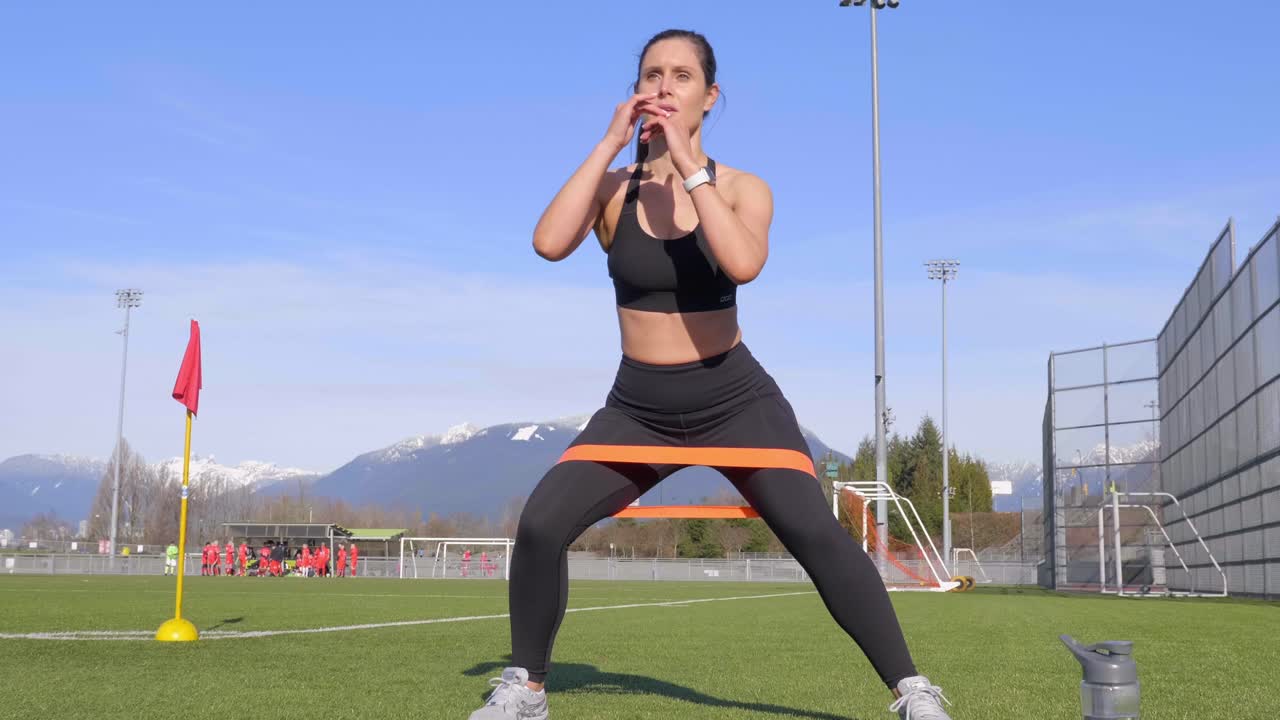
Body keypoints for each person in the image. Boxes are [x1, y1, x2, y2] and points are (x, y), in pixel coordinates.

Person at [466, 30, 953, 720]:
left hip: (734, 399)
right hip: (638, 408)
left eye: (681, 76)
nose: (664, 87)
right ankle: (527, 688)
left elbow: (743, 263)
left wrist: (690, 165)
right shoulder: (613, 191)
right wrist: (609, 143)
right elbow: (547, 243)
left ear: (710, 96)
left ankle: (913, 691)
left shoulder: (742, 187)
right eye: (651, 74)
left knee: (816, 535)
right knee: (542, 524)